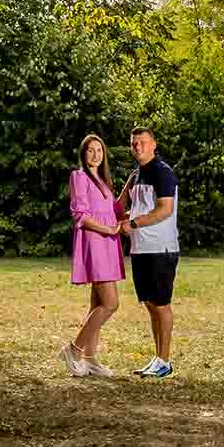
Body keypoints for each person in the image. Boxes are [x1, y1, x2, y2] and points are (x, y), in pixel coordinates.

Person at [62, 133, 125, 377]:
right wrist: (108, 229)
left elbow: (113, 210)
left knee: (97, 304)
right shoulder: (79, 177)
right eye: (91, 150)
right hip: (95, 243)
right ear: (83, 153)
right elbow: (81, 215)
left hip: (108, 244)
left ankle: (89, 359)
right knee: (111, 303)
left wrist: (128, 187)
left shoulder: (103, 181)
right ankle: (74, 348)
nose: (96, 154)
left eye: (99, 150)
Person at [119, 126, 178, 378]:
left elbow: (165, 209)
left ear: (154, 144)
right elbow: (119, 205)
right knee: (150, 304)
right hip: (140, 249)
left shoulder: (162, 172)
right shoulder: (136, 175)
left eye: (142, 142)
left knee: (161, 305)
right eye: (134, 144)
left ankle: (164, 361)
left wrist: (132, 223)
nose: (138, 147)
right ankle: (157, 358)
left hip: (160, 248)